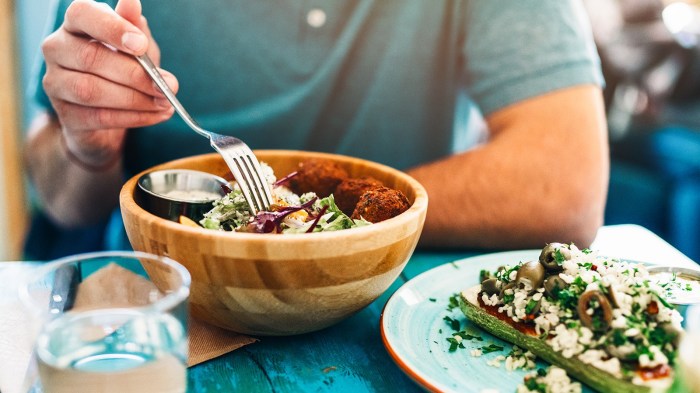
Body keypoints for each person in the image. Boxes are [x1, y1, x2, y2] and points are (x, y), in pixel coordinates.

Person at [24, 0, 609, 253]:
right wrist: (89, 148)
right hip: (157, 305)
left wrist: (315, 223)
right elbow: (60, 200)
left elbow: (565, 184)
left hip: (390, 303)